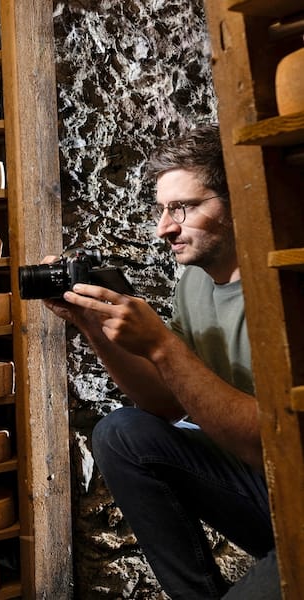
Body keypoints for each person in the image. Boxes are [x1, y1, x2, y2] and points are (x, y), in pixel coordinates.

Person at [42, 125, 279, 599]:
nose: (164, 227)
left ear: (235, 204)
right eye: (162, 210)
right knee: (121, 432)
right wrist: (91, 326)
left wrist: (162, 346)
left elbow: (268, 444)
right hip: (260, 489)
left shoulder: (279, 287)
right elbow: (168, 405)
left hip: (291, 484)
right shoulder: (193, 284)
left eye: (183, 208)